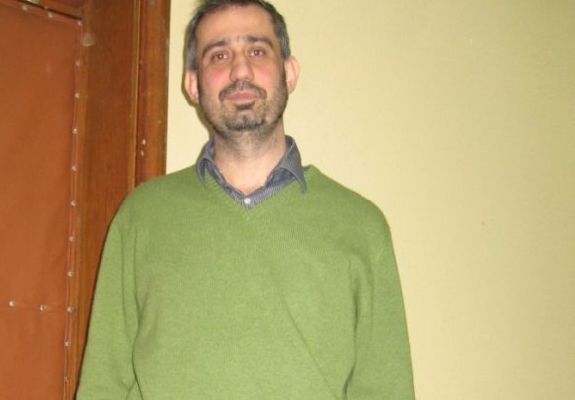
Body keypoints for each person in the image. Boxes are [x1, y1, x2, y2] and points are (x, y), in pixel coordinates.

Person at [76, 0, 415, 398]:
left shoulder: (360, 226)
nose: (240, 71)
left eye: (257, 51)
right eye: (219, 55)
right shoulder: (142, 217)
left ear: (289, 73)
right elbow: (103, 385)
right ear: (193, 84)